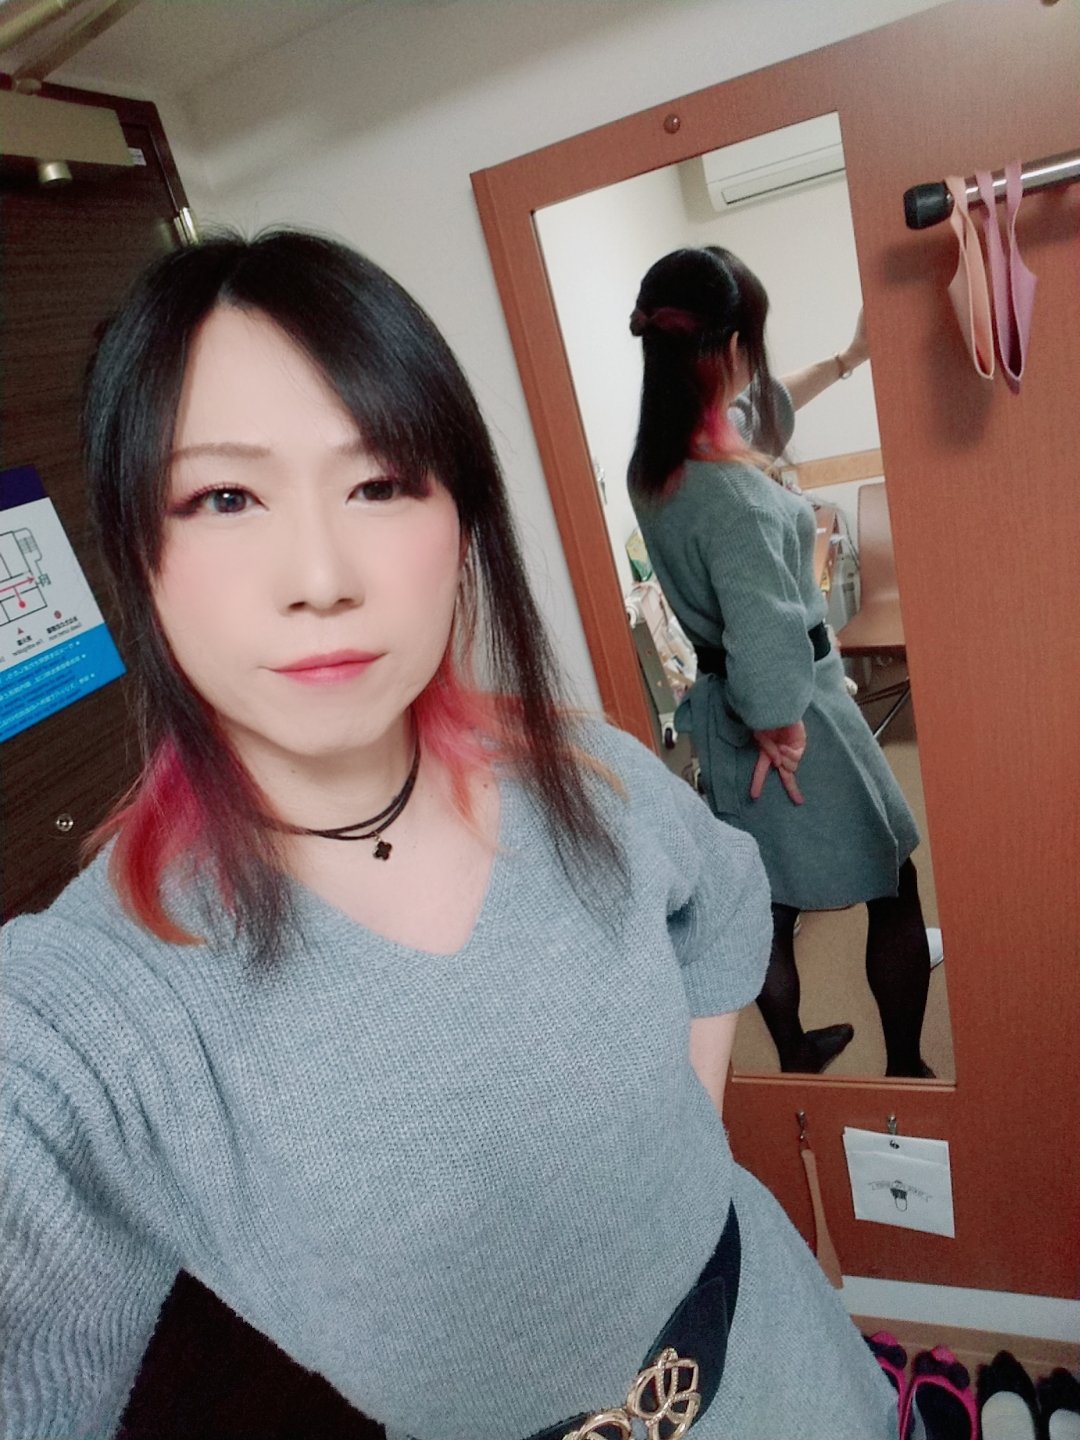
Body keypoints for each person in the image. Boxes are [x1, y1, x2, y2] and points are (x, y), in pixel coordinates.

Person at [0, 231, 898, 1440]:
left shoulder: (585, 771)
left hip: (789, 1360)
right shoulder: (85, 1011)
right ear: (135, 550)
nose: (321, 574)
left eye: (380, 484)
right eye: (224, 497)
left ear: (463, 522)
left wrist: (672, 1153)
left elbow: (726, 892)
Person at [628, 245, 932, 1078]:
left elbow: (763, 408)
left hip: (724, 709)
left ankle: (796, 1054)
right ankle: (908, 1070)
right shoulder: (731, 495)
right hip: (791, 712)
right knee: (892, 875)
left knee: (765, 896)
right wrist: (781, 728)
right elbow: (765, 633)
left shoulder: (659, 463)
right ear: (732, 348)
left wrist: (849, 356)